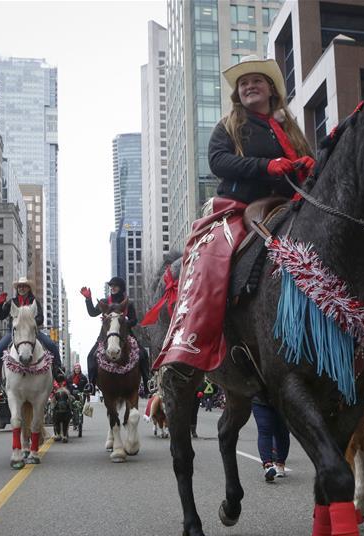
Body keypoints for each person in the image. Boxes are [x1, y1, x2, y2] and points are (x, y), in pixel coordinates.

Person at [153, 55, 314, 371]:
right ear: (237, 92)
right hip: (239, 209)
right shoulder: (229, 125)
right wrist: (265, 166)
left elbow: (306, 165)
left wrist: (310, 166)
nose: (249, 86)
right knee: (210, 257)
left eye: (256, 81)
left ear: (271, 88)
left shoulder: (290, 129)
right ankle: (191, 341)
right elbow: (218, 161)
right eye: (244, 83)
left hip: (290, 206)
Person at [81, 276, 150, 394]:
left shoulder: (128, 303)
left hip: (125, 335)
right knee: (91, 356)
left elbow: (134, 320)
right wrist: (88, 299)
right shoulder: (104, 302)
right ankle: (91, 384)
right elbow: (92, 313)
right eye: (111, 286)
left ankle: (147, 383)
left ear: (121, 288)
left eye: (115, 286)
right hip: (105, 336)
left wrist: (123, 322)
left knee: (143, 354)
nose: (112, 288)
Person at [0, 277, 63, 387]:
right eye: (19, 286)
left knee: (51, 345)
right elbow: (0, 316)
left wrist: (29, 323)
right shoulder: (11, 302)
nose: (21, 288)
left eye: (24, 286)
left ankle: (58, 370)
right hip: (14, 333)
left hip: (32, 332)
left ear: (28, 288)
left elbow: (41, 318)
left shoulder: (34, 302)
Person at [252, 395, 290, 481]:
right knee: (266, 431)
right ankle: (270, 465)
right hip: (261, 401)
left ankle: (276, 464)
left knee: (281, 432)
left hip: (281, 401)